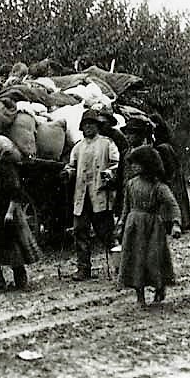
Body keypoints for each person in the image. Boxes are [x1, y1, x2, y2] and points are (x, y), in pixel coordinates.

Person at [0, 135, 41, 294]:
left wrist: (10, 212)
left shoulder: (7, 167)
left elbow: (15, 192)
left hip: (5, 213)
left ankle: (20, 277)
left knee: (13, 246)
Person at [116, 146, 182, 307]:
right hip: (133, 227)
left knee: (153, 259)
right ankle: (140, 296)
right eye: (132, 164)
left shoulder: (159, 186)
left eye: (137, 163)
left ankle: (159, 287)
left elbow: (173, 205)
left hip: (152, 227)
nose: (133, 167)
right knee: (135, 260)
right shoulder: (130, 184)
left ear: (148, 164)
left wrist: (176, 224)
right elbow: (126, 207)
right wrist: (120, 224)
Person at [61, 109, 120, 281]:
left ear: (97, 126)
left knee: (106, 233)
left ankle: (119, 266)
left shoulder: (107, 144)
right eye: (85, 125)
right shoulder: (78, 147)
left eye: (91, 124)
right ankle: (83, 268)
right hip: (82, 195)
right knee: (80, 231)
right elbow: (72, 166)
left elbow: (116, 164)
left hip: (100, 193)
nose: (88, 128)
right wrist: (67, 173)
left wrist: (109, 174)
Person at [150, 113, 190, 232]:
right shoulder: (166, 143)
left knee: (172, 199)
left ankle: (175, 222)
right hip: (173, 176)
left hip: (170, 177)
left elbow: (169, 167)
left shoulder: (163, 146)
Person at [96, 107, 130, 220]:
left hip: (118, 167)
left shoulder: (116, 136)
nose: (101, 127)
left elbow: (124, 153)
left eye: (103, 123)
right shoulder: (98, 137)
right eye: (99, 123)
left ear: (109, 123)